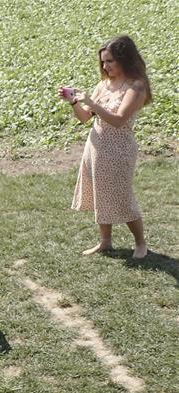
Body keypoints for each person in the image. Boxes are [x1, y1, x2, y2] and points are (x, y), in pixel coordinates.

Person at [61, 35, 152, 259]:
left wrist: (92, 103)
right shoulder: (104, 84)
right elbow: (84, 118)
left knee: (122, 196)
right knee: (99, 194)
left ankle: (140, 244)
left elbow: (120, 120)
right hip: (96, 146)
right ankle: (105, 242)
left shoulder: (137, 86)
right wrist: (74, 102)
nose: (105, 66)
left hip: (120, 149)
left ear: (125, 59)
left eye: (110, 61)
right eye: (103, 61)